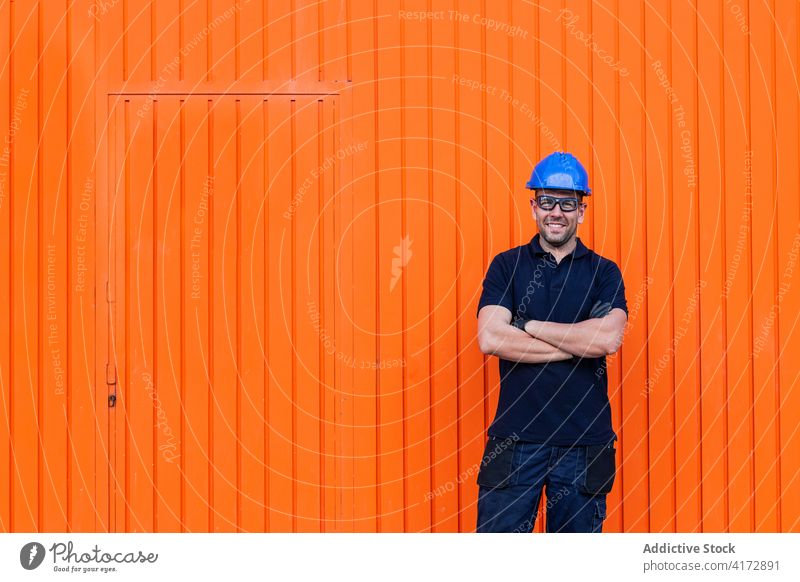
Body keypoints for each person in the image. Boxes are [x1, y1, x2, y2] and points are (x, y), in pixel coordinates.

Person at [474, 151, 628, 533]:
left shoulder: (604, 272)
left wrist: (528, 324)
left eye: (567, 203)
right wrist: (578, 342)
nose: (556, 211)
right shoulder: (506, 266)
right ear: (533, 207)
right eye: (547, 201)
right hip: (514, 441)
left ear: (582, 211)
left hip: (584, 443)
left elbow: (607, 338)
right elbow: (491, 336)